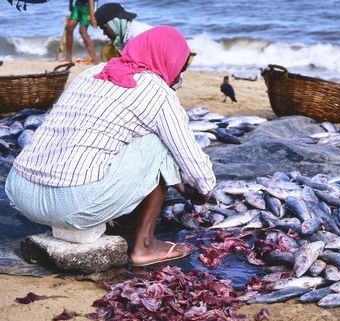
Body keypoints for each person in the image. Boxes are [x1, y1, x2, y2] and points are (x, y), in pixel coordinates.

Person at [5, 26, 215, 267]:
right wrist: (203, 191)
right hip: (71, 205)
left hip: (21, 192)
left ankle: (116, 217)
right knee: (159, 143)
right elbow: (190, 157)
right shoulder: (157, 91)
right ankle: (145, 246)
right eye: (181, 68)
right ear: (168, 60)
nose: (179, 77)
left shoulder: (93, 72)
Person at [65, 0, 99, 64]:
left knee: (82, 31)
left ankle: (95, 59)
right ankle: (68, 57)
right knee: (69, 28)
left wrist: (92, 15)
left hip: (88, 6)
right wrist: (70, 3)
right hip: (78, 5)